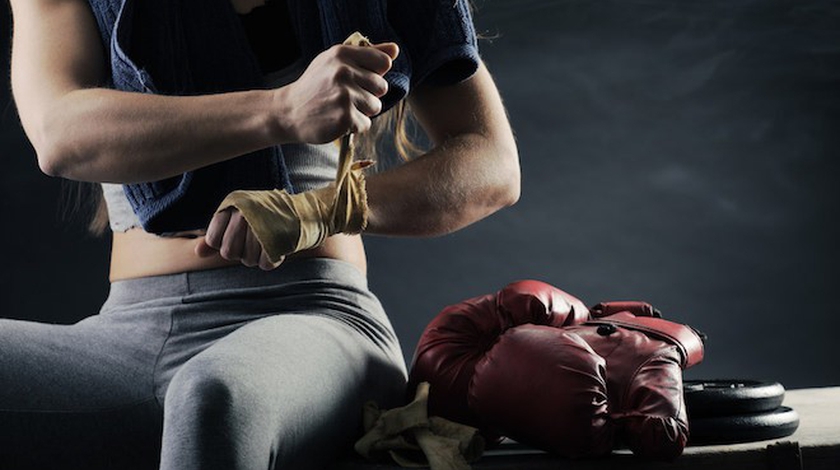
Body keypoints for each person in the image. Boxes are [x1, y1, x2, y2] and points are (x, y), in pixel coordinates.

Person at [1, 0, 520, 468]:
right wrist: (283, 110)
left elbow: (490, 162)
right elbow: (61, 134)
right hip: (124, 337)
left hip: (312, 316)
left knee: (212, 396)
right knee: (206, 394)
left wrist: (317, 211)